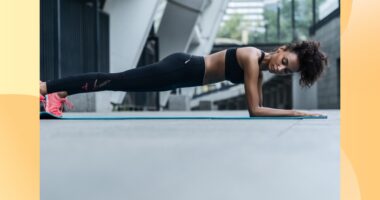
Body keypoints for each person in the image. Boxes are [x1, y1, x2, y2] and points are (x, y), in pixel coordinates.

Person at [40, 40, 327, 117]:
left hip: (180, 75)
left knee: (120, 82)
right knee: (116, 80)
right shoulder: (252, 58)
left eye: (287, 71)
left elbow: (261, 107)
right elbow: (256, 110)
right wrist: (294, 111)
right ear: (282, 49)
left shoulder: (258, 71)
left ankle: (61, 94)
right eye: (285, 62)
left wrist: (286, 113)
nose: (281, 69)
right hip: (181, 68)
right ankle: (47, 87)